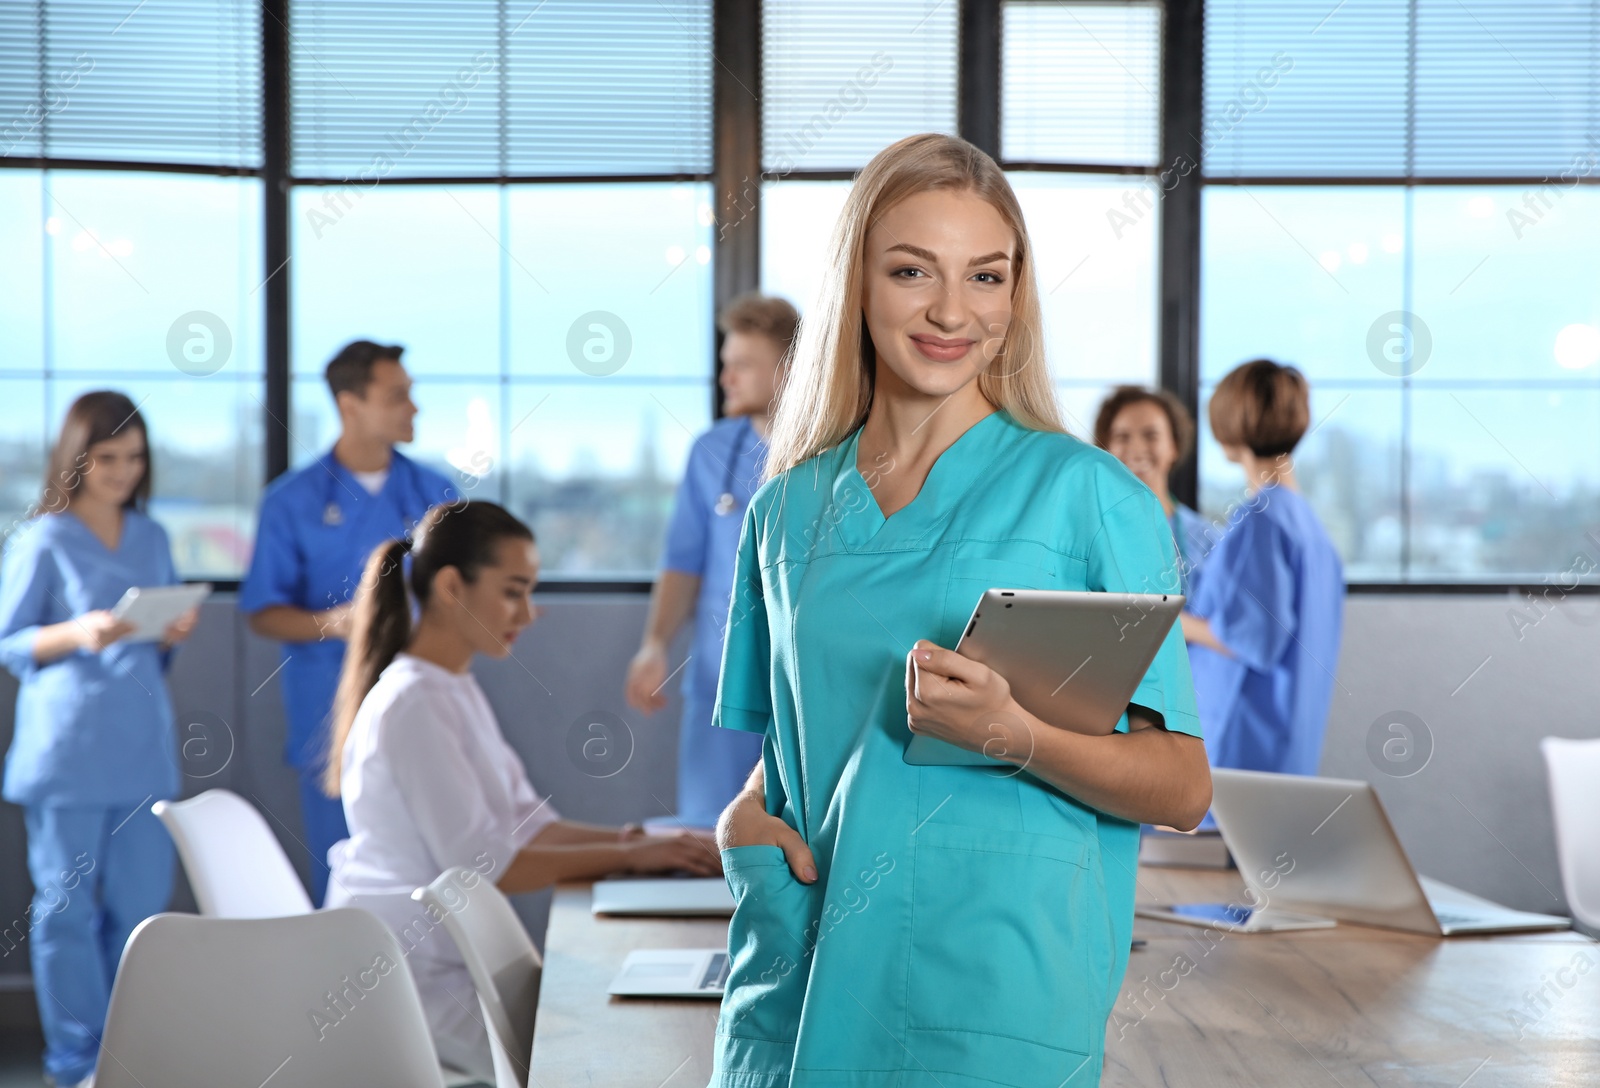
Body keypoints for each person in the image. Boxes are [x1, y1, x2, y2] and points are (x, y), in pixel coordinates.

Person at [708, 134, 1210, 1086]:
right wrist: (743, 815)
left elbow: (1182, 787)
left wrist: (1016, 735)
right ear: (856, 283)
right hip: (798, 971)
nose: (951, 311)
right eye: (911, 271)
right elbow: (798, 734)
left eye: (986, 276)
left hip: (993, 985)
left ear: (1015, 298)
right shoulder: (786, 508)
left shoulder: (1089, 496)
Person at [321, 499, 721, 1078]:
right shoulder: (414, 702)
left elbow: (529, 824)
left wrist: (640, 841)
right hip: (412, 984)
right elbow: (483, 865)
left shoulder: (449, 687)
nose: (529, 614)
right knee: (613, 1058)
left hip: (446, 966)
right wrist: (632, 854)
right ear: (452, 586)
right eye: (514, 592)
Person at [0, 392, 198, 1088]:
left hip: (142, 749)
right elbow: (11, 641)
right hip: (68, 757)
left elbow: (155, 646)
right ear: (76, 460)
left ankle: (130, 1053)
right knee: (65, 912)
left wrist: (169, 631)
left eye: (134, 458)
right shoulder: (43, 540)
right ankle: (75, 1061)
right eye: (107, 458)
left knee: (143, 913)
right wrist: (77, 632)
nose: (122, 472)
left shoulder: (153, 539)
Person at [239, 340, 456, 905]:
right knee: (343, 875)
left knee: (432, 877)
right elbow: (263, 612)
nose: (415, 408)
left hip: (423, 702)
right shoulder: (290, 501)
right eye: (398, 396)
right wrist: (332, 623)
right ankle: (341, 993)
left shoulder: (437, 495)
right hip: (329, 713)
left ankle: (426, 996)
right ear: (350, 404)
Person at [624, 293, 798, 828]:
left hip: (799, 686)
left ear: (789, 370)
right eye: (726, 364)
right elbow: (683, 561)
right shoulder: (711, 453)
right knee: (711, 832)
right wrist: (655, 643)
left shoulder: (833, 451)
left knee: (801, 836)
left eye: (742, 365)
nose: (726, 378)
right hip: (718, 681)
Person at [1181, 359, 1345, 776]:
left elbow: (1251, 638)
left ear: (1230, 430)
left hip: (1240, 746)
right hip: (1288, 746)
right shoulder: (1312, 530)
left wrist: (1170, 620)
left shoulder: (1260, 520)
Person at [1094, 384, 1216, 595]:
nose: (1137, 450)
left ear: (1174, 446)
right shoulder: (1091, 537)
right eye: (1122, 437)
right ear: (1106, 449)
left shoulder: (1208, 541)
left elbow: (1225, 627)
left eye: (1151, 435)